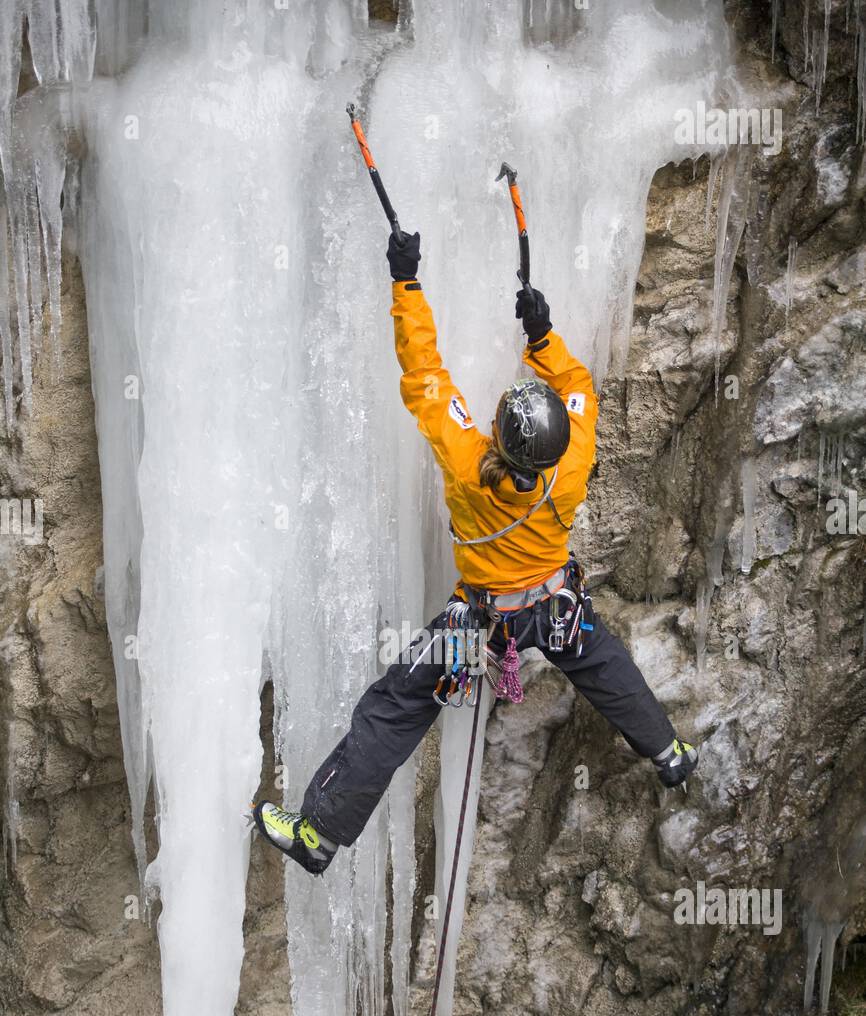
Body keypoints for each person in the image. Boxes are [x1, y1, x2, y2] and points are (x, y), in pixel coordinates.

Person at [253, 231, 697, 874]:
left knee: (396, 704)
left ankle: (319, 832)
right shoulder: (571, 464)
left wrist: (405, 282)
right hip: (555, 606)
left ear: (499, 432)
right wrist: (541, 337)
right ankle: (667, 752)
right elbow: (577, 387)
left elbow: (425, 375)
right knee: (605, 667)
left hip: (481, 624)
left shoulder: (467, 461)